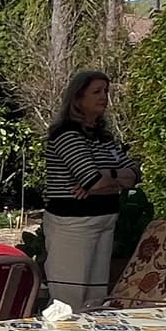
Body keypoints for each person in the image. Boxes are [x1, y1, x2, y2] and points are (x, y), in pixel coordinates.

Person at [42, 70, 141, 312]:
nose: (103, 97)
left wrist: (109, 177)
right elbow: (92, 180)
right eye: (96, 92)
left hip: (104, 219)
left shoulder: (103, 137)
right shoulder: (67, 135)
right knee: (69, 298)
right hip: (74, 224)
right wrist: (110, 181)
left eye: (106, 91)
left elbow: (134, 173)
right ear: (78, 98)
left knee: (95, 298)